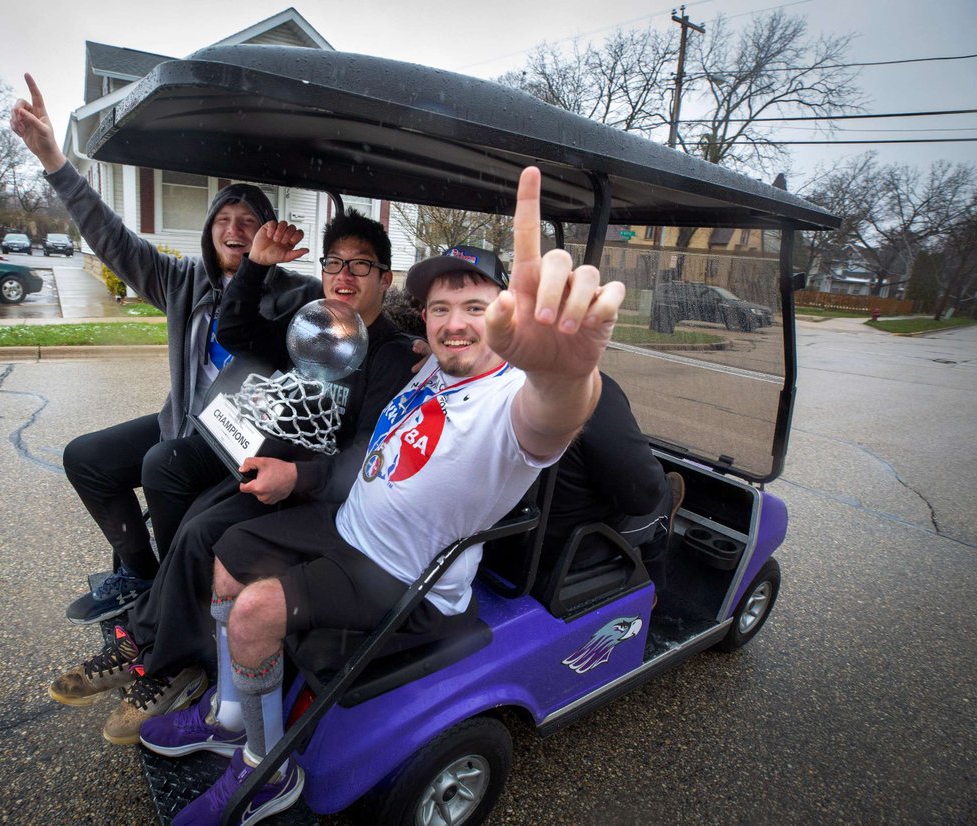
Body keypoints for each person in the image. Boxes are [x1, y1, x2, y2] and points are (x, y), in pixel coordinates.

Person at [141, 166, 625, 825]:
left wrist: (569, 375)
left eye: (476, 308)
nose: (457, 324)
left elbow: (552, 417)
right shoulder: (426, 365)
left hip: (408, 576)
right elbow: (349, 413)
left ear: (504, 318)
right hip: (349, 528)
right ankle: (230, 716)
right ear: (422, 315)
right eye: (442, 308)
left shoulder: (510, 402)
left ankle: (266, 770)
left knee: (254, 610)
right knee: (225, 549)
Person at [46, 210, 420, 744]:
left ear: (386, 278)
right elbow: (240, 331)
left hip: (323, 496)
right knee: (189, 503)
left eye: (361, 265)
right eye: (334, 262)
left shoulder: (389, 354)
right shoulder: (317, 325)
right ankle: (151, 644)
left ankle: (160, 659)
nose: (344, 275)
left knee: (205, 531)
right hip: (269, 465)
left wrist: (298, 476)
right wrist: (255, 268)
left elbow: (368, 457)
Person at [10, 74, 322, 623]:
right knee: (86, 457)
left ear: (266, 235)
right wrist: (56, 163)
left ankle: (185, 595)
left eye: (248, 222)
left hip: (239, 445)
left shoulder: (295, 295)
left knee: (163, 463)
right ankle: (140, 574)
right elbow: (113, 239)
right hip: (184, 425)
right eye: (223, 220)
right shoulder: (183, 282)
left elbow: (345, 320)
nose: (234, 229)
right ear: (209, 233)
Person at [545, 373, 681, 593]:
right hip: (564, 548)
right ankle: (654, 593)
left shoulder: (496, 373)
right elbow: (644, 495)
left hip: (503, 538)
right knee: (663, 496)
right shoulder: (589, 390)